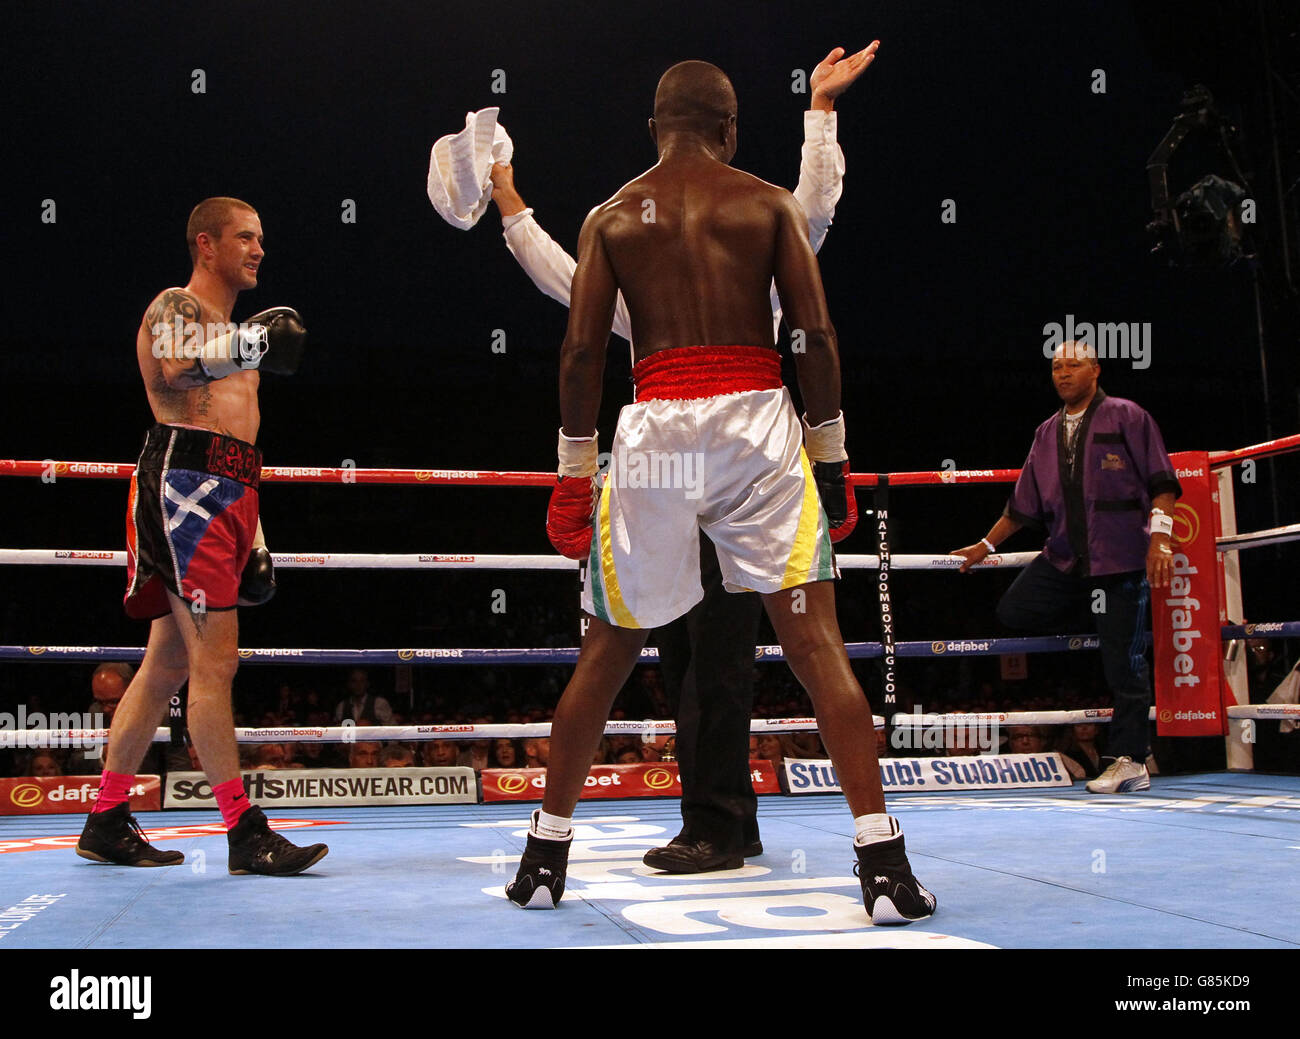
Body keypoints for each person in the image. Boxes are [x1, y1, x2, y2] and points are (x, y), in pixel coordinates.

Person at [505, 60, 935, 925]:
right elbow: (812, 334)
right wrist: (833, 456)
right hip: (757, 427)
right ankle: (881, 855)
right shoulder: (768, 203)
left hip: (658, 426)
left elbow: (582, 354)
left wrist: (571, 471)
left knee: (610, 650)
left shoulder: (614, 216)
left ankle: (546, 849)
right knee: (815, 648)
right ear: (731, 129)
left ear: (654, 129)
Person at [76, 197, 327, 875]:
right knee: (217, 664)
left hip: (233, 494)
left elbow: (240, 438)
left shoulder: (236, 331)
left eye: (262, 238)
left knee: (166, 665)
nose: (259, 248)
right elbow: (172, 372)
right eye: (246, 237)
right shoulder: (176, 307)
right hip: (187, 486)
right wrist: (251, 344)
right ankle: (244, 830)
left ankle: (104, 817)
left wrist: (259, 533)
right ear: (206, 245)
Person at [953, 341, 1181, 794]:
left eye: (1072, 365)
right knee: (1014, 609)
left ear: (1094, 370)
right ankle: (1101, 624)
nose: (1062, 374)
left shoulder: (1127, 415)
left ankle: (1130, 759)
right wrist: (984, 544)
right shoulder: (1045, 432)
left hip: (1118, 559)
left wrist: (1160, 537)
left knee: (1126, 665)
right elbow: (1021, 507)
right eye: (1056, 367)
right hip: (1066, 559)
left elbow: (1162, 482)